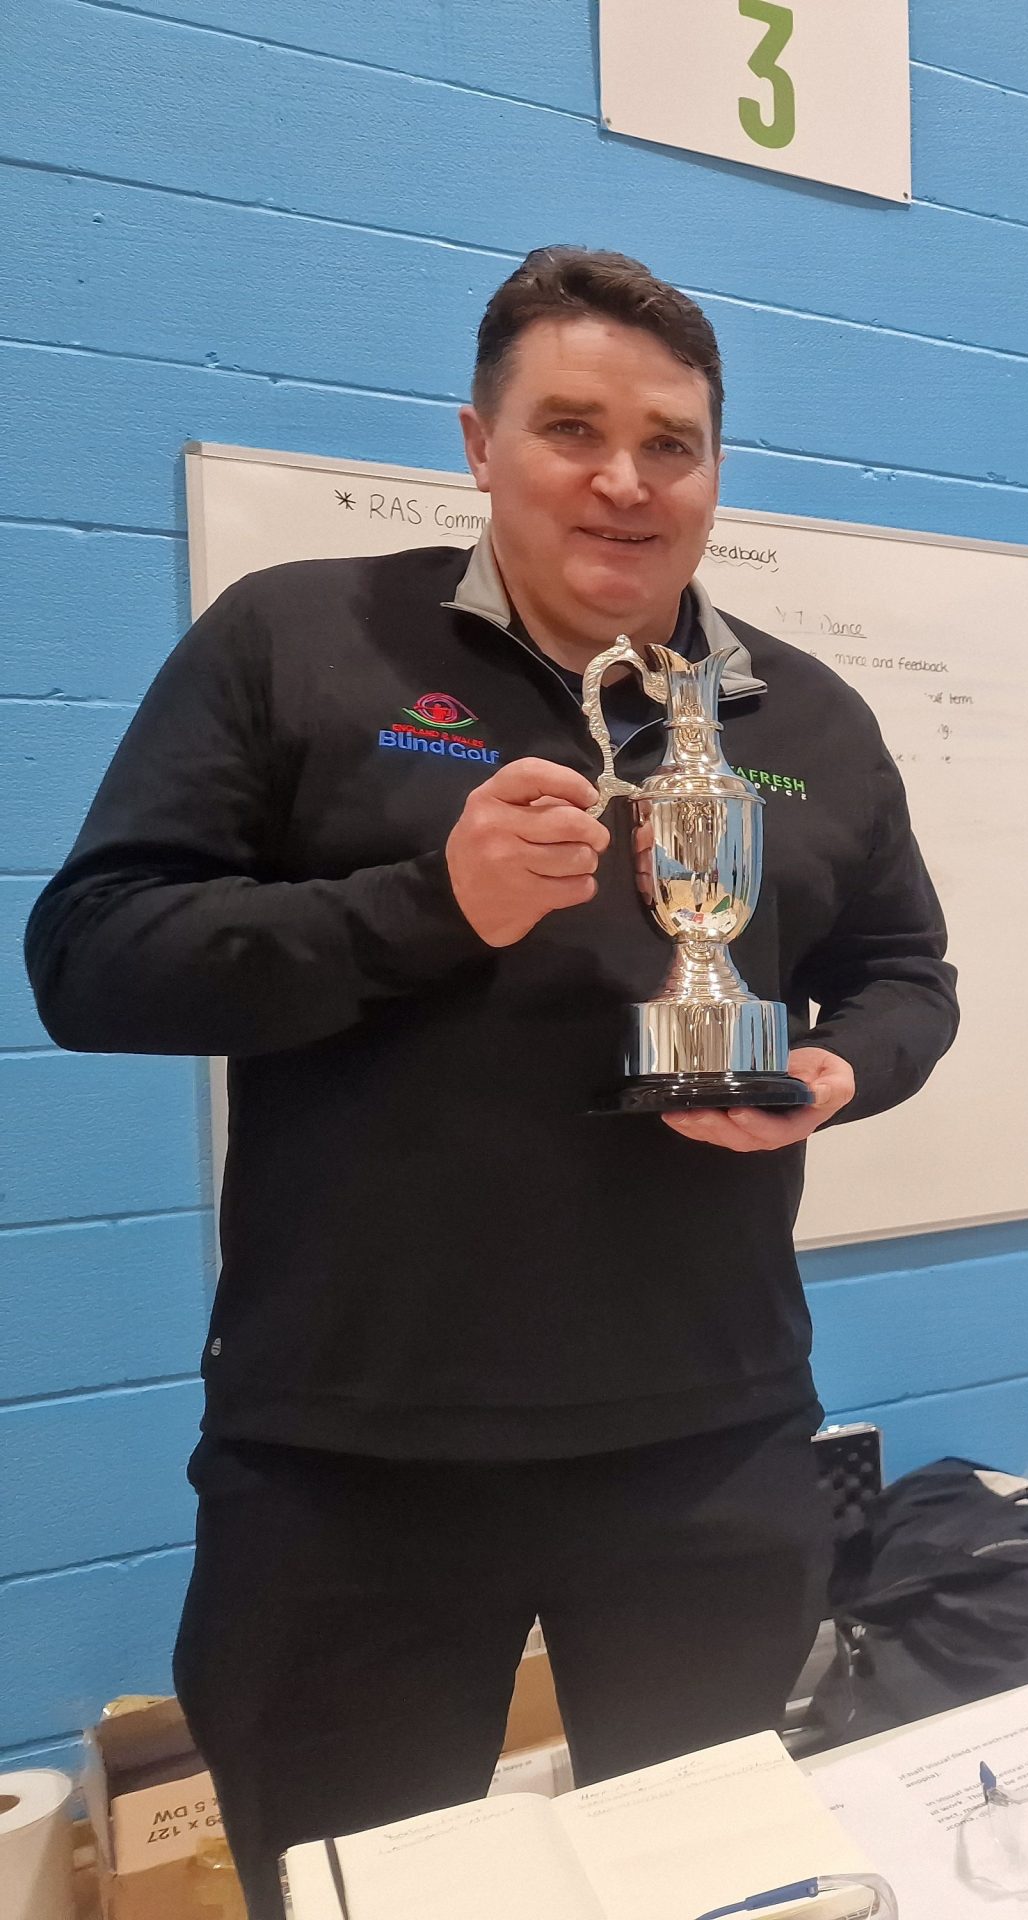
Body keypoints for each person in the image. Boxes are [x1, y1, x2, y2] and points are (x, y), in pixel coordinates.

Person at [24, 248, 960, 1918]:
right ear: (477, 443)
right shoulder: (301, 640)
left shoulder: (800, 712)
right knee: (366, 1898)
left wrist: (833, 1068)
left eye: (669, 442)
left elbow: (908, 977)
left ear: (714, 470)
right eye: (571, 427)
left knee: (706, 1891)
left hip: (711, 1441)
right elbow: (94, 960)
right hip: (353, 1459)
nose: (623, 479)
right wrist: (420, 908)